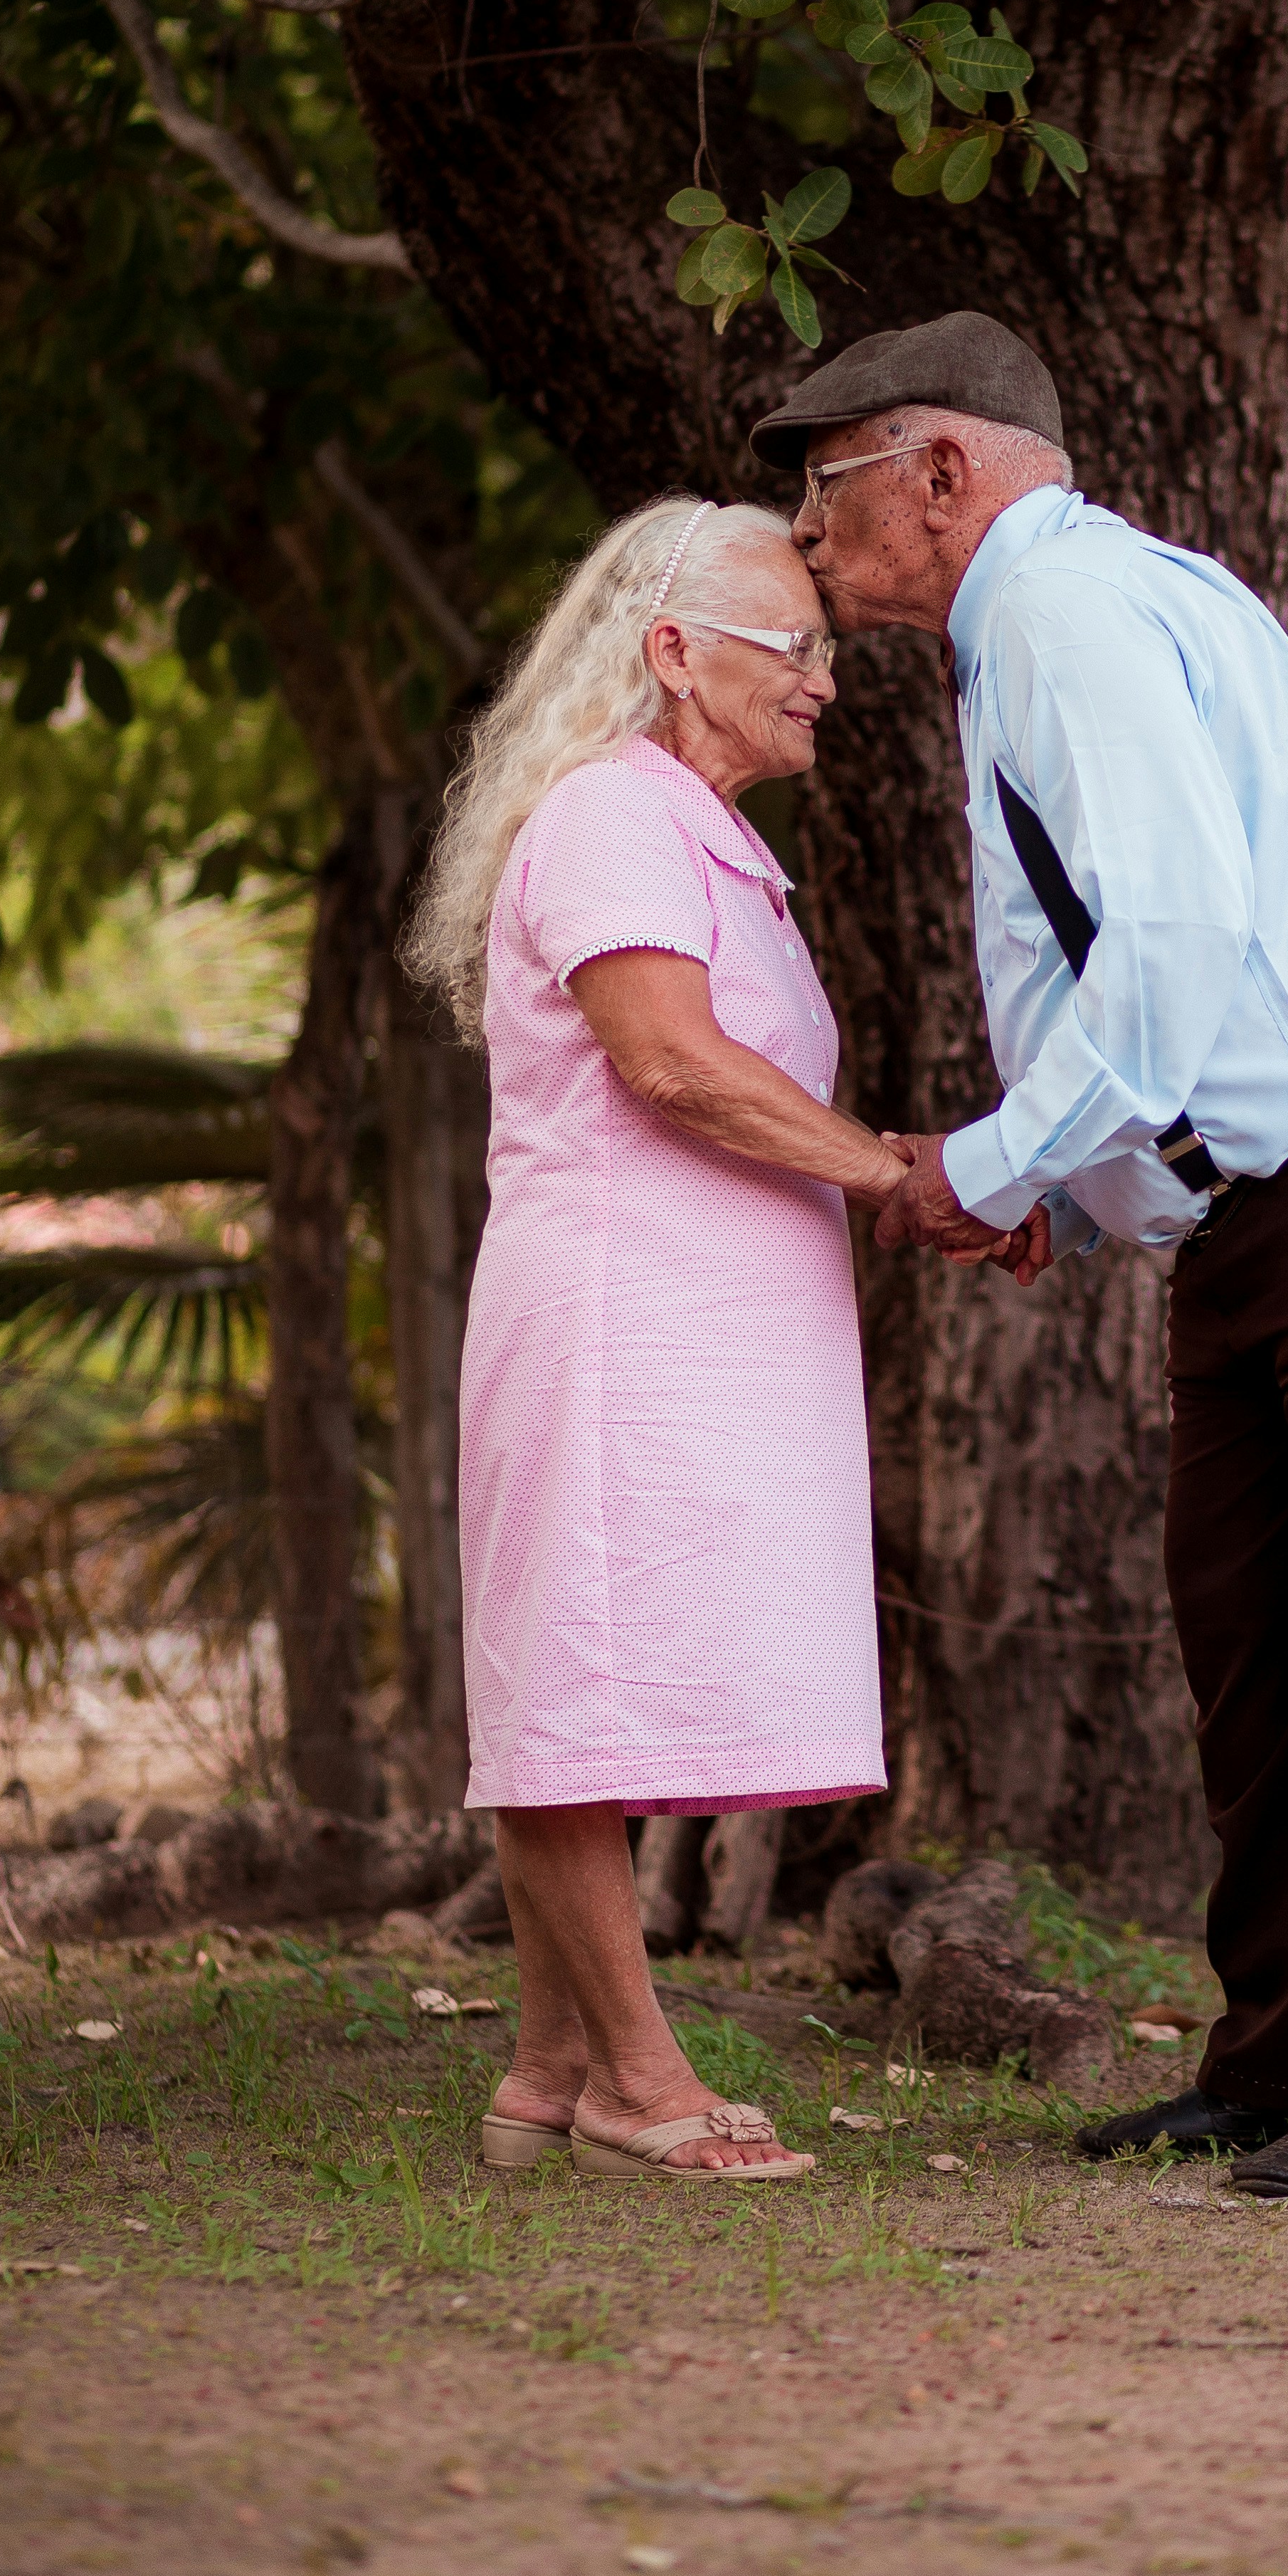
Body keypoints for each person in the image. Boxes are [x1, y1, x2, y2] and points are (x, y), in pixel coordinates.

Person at [750, 315, 1288, 2202]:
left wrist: (988, 1160)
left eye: (827, 477)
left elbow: (1175, 942)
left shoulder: (1063, 616)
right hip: (1262, 1191)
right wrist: (1072, 1177)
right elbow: (1131, 959)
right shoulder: (1041, 623)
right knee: (1246, 1623)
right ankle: (1281, 2054)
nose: (801, 526)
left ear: (942, 471)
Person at [402, 495, 908, 2182]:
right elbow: (671, 1062)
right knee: (580, 1694)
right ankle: (635, 2073)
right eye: (797, 644)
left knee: (607, 1679)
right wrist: (894, 1176)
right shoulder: (613, 816)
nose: (826, 679)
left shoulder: (701, 835)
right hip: (616, 1330)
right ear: (674, 652)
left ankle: (549, 2069)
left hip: (697, 1338)